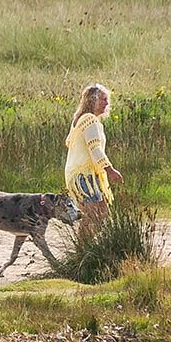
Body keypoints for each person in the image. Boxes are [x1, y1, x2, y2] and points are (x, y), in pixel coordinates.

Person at [64, 83, 123, 242]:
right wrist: (110, 170)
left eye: (107, 100)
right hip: (84, 174)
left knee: (98, 213)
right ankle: (82, 250)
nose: (106, 103)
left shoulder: (80, 119)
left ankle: (84, 248)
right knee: (95, 214)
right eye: (103, 99)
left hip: (81, 173)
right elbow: (95, 148)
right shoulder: (89, 119)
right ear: (92, 100)